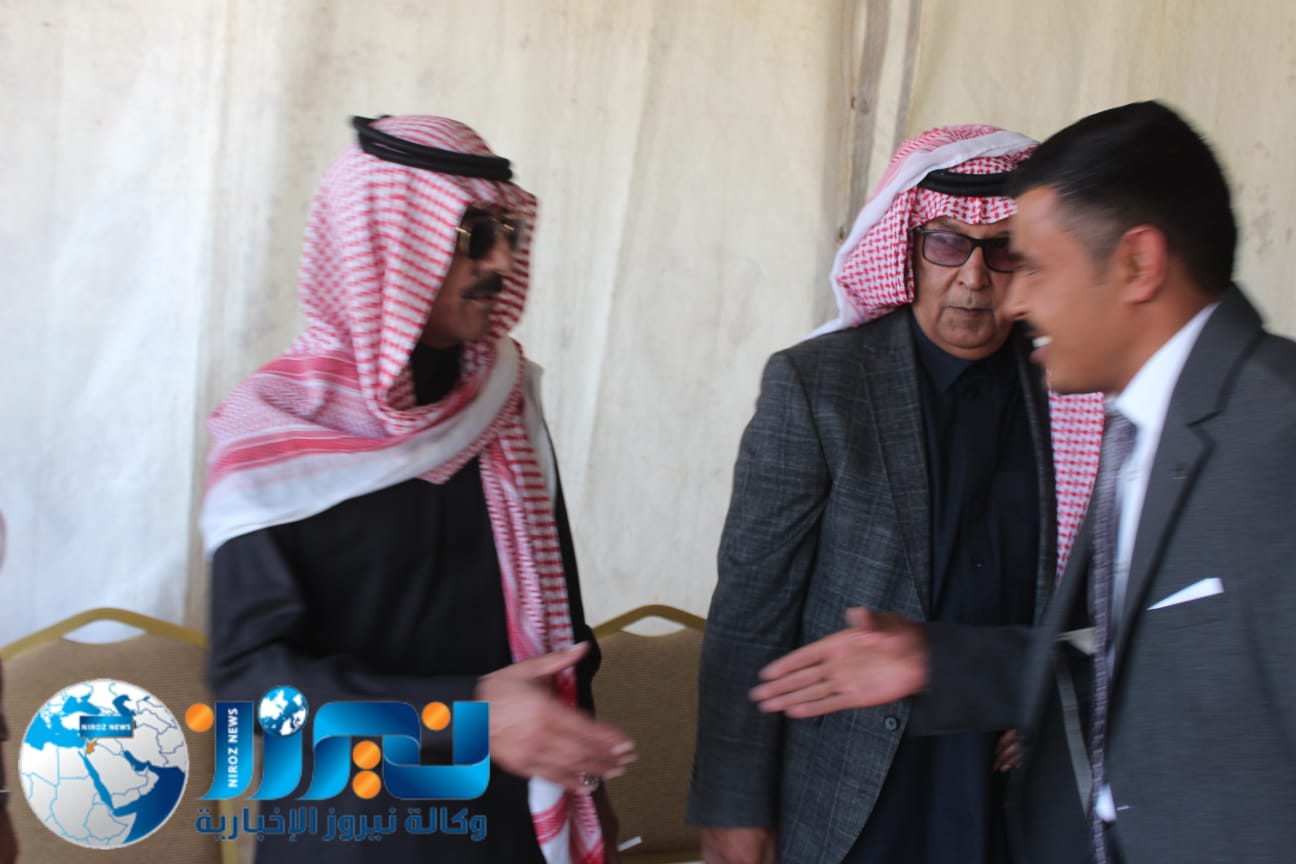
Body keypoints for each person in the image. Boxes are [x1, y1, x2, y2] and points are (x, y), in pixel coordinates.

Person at [753, 101, 1296, 864]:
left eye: (1029, 264)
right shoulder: (1144, 422)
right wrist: (942, 662)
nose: (1007, 296)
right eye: (950, 245)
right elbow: (1143, 660)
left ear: (1138, 264)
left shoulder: (1277, 436)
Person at [204, 115, 634, 864]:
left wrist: (585, 781)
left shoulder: (506, 401)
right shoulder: (273, 431)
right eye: (474, 234)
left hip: (513, 820)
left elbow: (560, 624)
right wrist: (465, 713)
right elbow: (248, 686)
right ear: (389, 243)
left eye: (509, 231)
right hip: (350, 829)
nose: (502, 260)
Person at [687, 125, 1104, 864]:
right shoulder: (819, 387)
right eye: (947, 244)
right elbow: (752, 608)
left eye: (1003, 250)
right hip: (857, 780)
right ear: (907, 248)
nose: (974, 279)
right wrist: (733, 804)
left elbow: (1102, 586)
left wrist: (1051, 698)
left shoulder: (1073, 389)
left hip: (1017, 780)